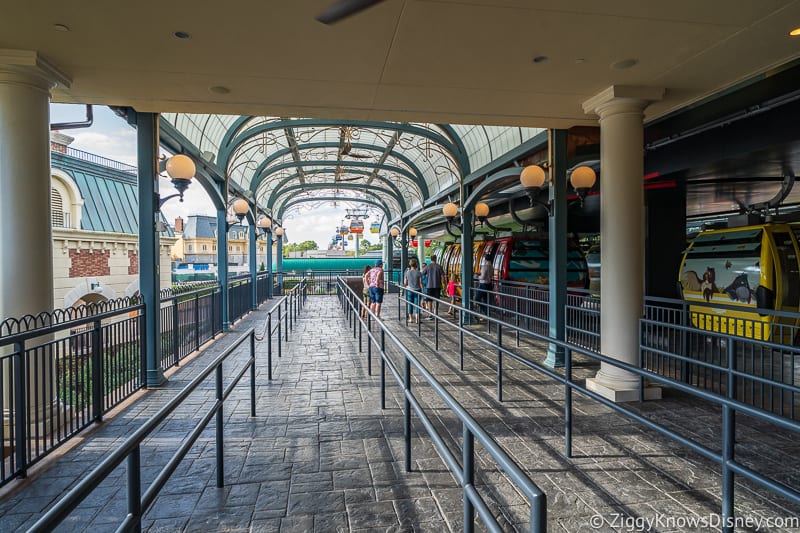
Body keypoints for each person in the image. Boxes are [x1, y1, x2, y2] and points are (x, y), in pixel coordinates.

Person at [404, 258, 423, 323]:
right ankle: (417, 319)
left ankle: (411, 319)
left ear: (410, 264)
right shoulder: (419, 273)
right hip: (417, 290)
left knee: (410, 304)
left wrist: (407, 285)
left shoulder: (407, 272)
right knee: (417, 304)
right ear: (416, 265)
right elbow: (420, 283)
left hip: (409, 290)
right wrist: (422, 291)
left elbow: (405, 282)